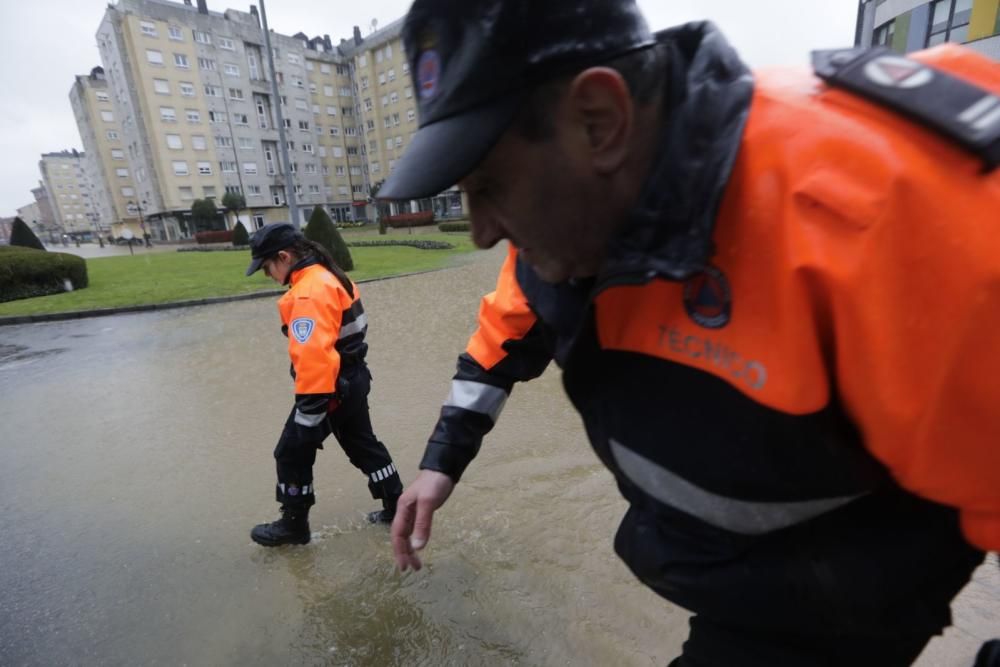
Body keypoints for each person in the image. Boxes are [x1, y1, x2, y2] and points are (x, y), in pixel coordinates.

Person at [376, 1, 1000, 665]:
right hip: (743, 592)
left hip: (835, 612)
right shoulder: (563, 229)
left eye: (489, 186)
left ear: (600, 121)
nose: (480, 229)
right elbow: (498, 343)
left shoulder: (903, 227)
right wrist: (440, 464)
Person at [245, 223, 403, 546]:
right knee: (364, 445)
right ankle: (399, 508)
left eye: (266, 267)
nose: (268, 275)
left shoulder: (307, 292)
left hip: (331, 389)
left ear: (284, 256)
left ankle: (293, 525)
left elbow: (314, 358)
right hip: (355, 378)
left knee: (290, 453)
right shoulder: (333, 276)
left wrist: (309, 415)